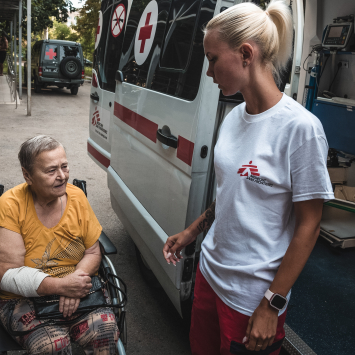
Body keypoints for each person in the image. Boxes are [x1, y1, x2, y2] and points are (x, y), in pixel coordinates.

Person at [163, 1, 334, 354]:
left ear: (245, 53)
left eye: (212, 59)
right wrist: (193, 231)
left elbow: (309, 226)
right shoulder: (233, 118)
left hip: (251, 297)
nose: (208, 73)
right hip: (210, 275)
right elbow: (231, 192)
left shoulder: (301, 129)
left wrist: (272, 304)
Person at [0, 136, 119, 355]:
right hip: (24, 299)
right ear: (28, 175)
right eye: (51, 170)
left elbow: (93, 251)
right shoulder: (10, 205)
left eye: (64, 167)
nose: (62, 176)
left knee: (105, 329)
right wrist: (61, 286)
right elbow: (9, 275)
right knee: (52, 346)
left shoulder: (76, 198)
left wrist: (74, 285)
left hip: (77, 285)